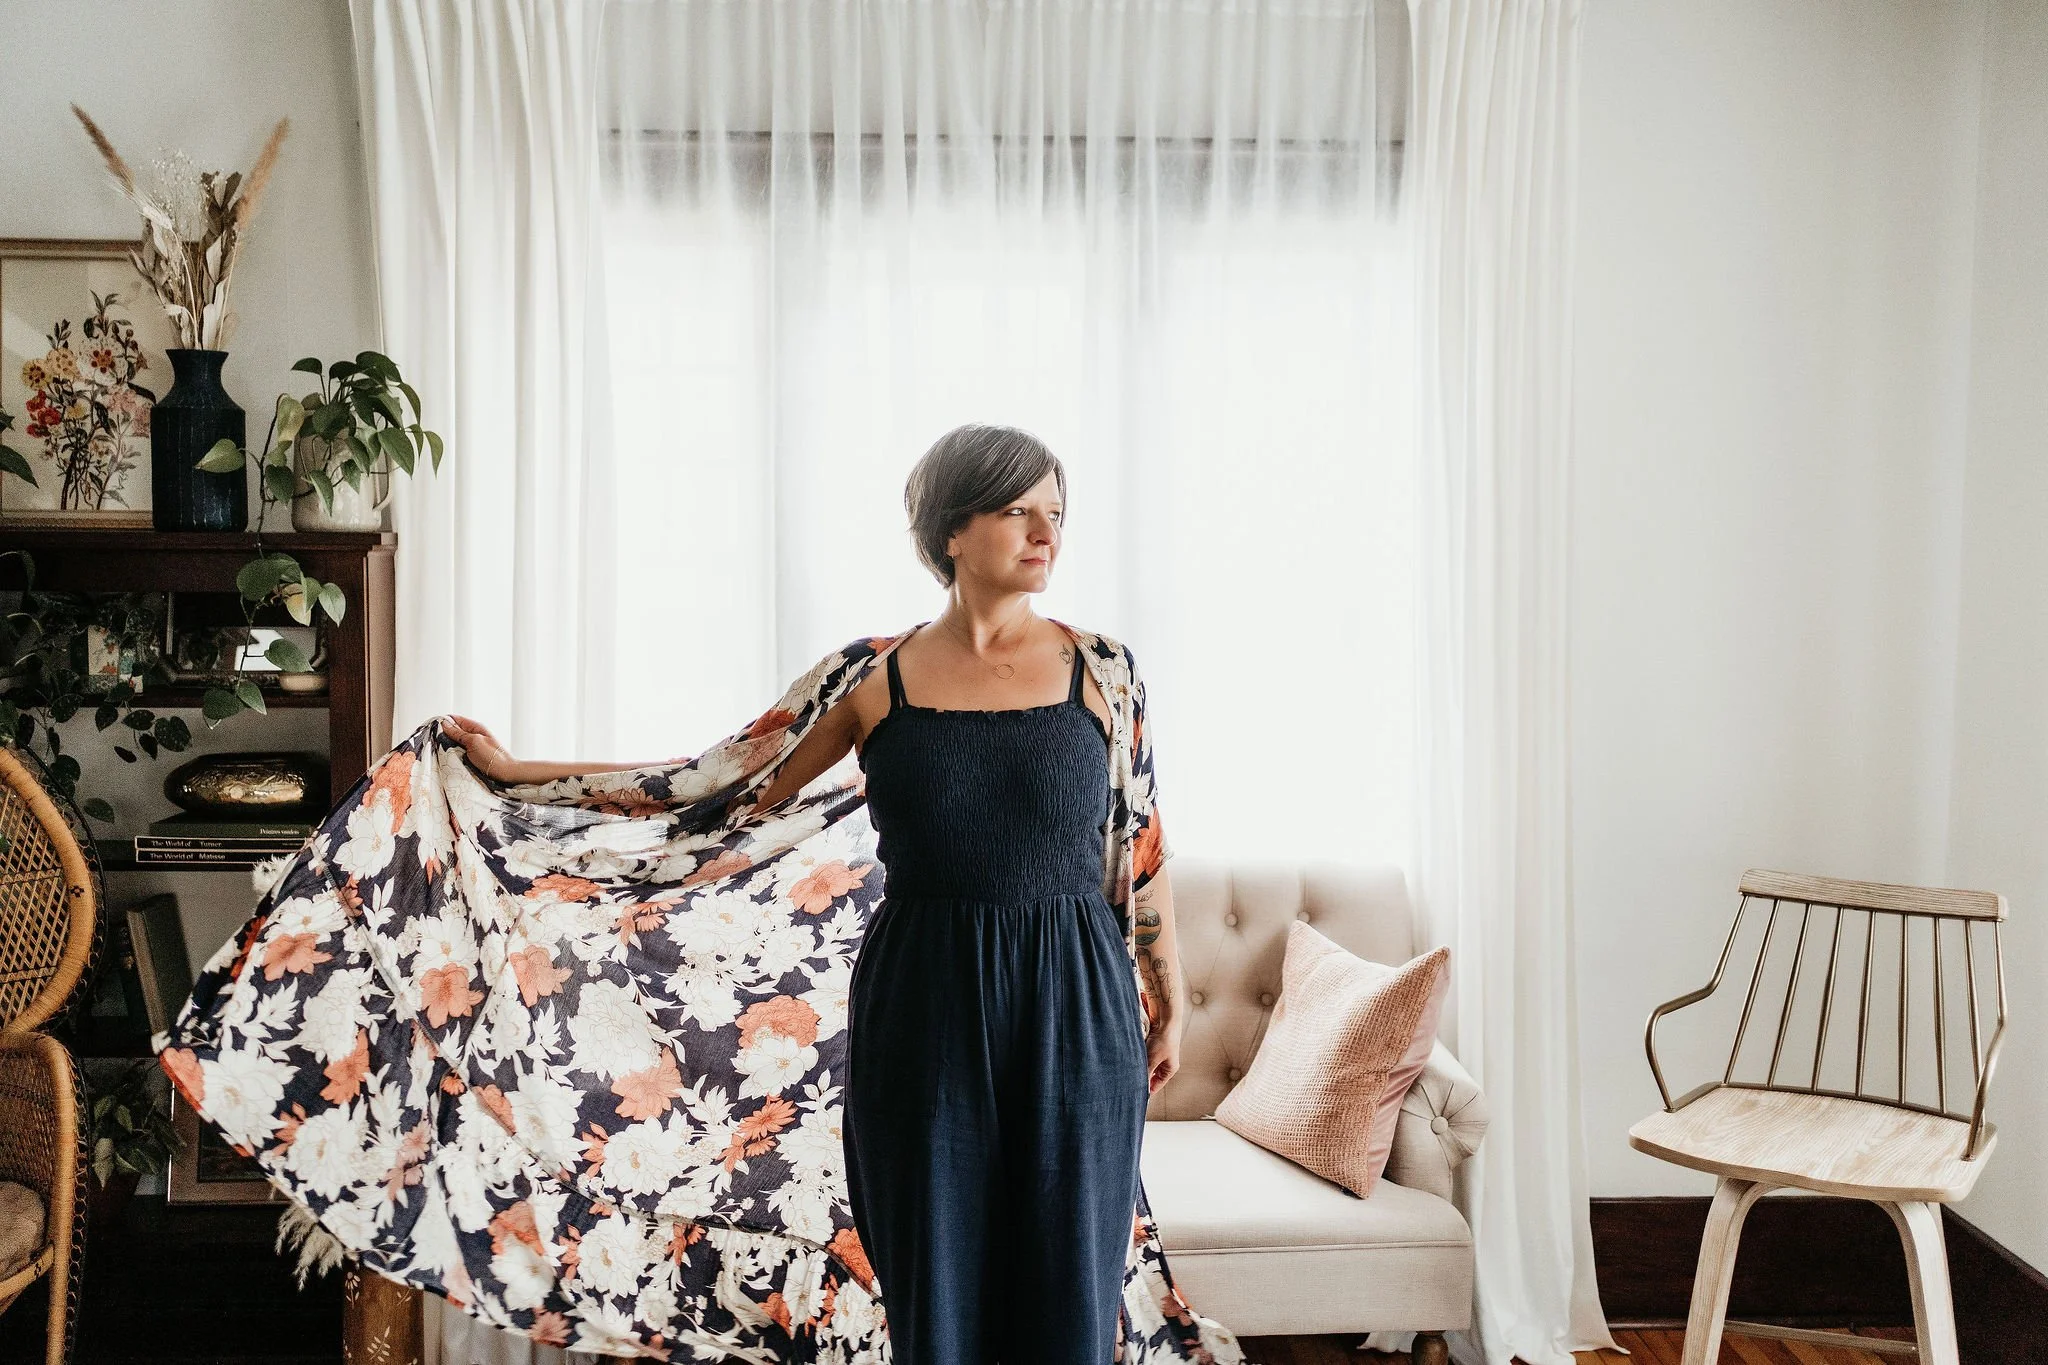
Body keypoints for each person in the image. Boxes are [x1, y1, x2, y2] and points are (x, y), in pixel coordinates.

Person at [447, 423, 1189, 1364]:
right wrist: (524, 774)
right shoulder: (870, 675)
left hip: (1077, 1005)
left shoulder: (1106, 671)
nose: (1047, 533)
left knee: (1070, 1293)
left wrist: (1171, 996)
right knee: (936, 1294)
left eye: (1056, 513)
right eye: (1018, 511)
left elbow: (1140, 846)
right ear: (952, 530)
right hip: (922, 1007)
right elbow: (716, 783)